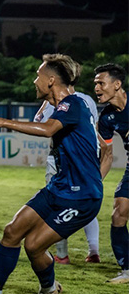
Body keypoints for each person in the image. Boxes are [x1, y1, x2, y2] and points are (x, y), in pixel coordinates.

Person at [0, 54, 103, 294]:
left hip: (82, 197)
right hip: (59, 187)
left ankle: (49, 290)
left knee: (34, 245)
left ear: (50, 80)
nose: (34, 81)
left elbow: (47, 130)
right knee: (12, 231)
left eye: (38, 75)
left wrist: (1, 122)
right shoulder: (61, 107)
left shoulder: (74, 104)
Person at [31, 67, 102, 264]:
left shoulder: (62, 103)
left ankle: (61, 255)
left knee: (58, 203)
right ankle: (94, 250)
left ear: (54, 79)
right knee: (86, 203)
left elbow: (41, 125)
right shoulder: (86, 99)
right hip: (88, 158)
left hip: (62, 159)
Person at [94, 63, 129, 284]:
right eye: (95, 83)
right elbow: (107, 156)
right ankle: (127, 269)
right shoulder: (106, 118)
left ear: (117, 85)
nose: (97, 88)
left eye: (101, 83)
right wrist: (95, 183)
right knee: (119, 213)